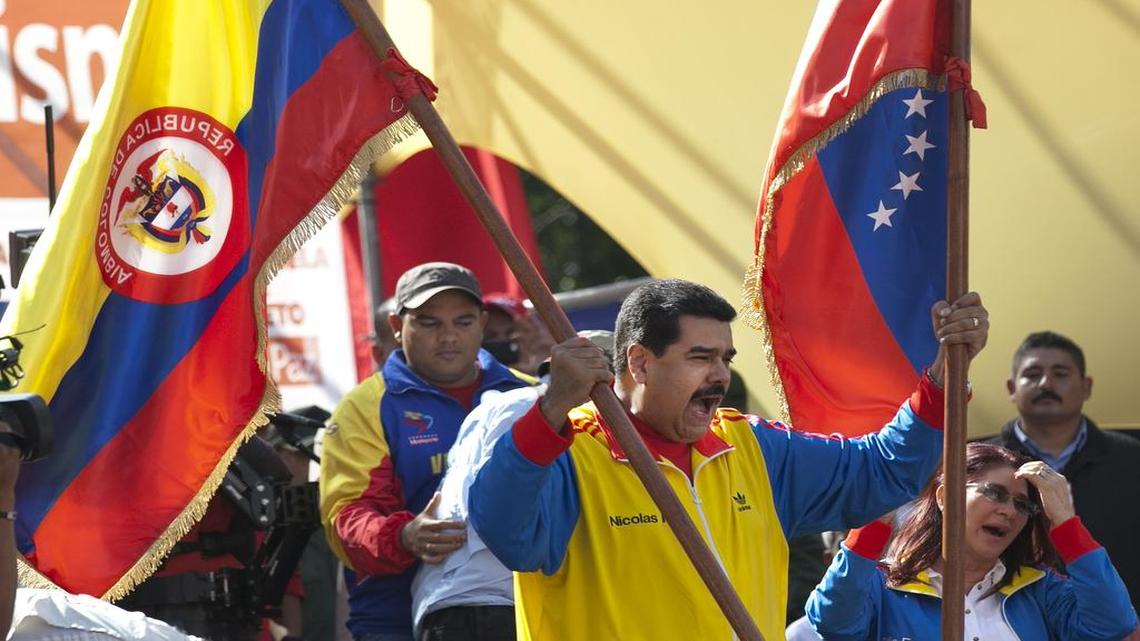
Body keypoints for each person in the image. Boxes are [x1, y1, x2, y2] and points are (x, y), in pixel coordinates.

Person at [469, 279, 989, 640]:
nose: (720, 375)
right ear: (640, 362)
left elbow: (884, 472)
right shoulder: (569, 451)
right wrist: (553, 406)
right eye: (700, 358)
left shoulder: (753, 448)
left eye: (725, 359)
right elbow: (504, 531)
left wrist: (943, 376)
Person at [319, 262, 534, 641]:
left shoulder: (528, 395)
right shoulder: (365, 407)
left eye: (463, 322)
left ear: (483, 323)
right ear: (396, 326)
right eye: (429, 323)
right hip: (395, 619)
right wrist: (405, 536)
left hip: (527, 613)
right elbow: (345, 520)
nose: (448, 336)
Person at [806, 443, 1138, 640]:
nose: (1009, 511)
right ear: (944, 497)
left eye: (1023, 505)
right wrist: (873, 523)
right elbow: (833, 621)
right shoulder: (885, 583)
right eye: (994, 493)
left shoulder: (1040, 589)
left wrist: (1065, 523)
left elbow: (1113, 626)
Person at [411, 331, 614, 641]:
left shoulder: (512, 405)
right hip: (486, 607)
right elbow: (501, 517)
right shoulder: (533, 409)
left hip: (469, 604)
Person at [987, 330, 1140, 612]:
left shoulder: (1132, 461)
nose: (1046, 383)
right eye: (1032, 374)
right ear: (1011, 387)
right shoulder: (978, 465)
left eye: (1060, 373)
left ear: (1086, 386)